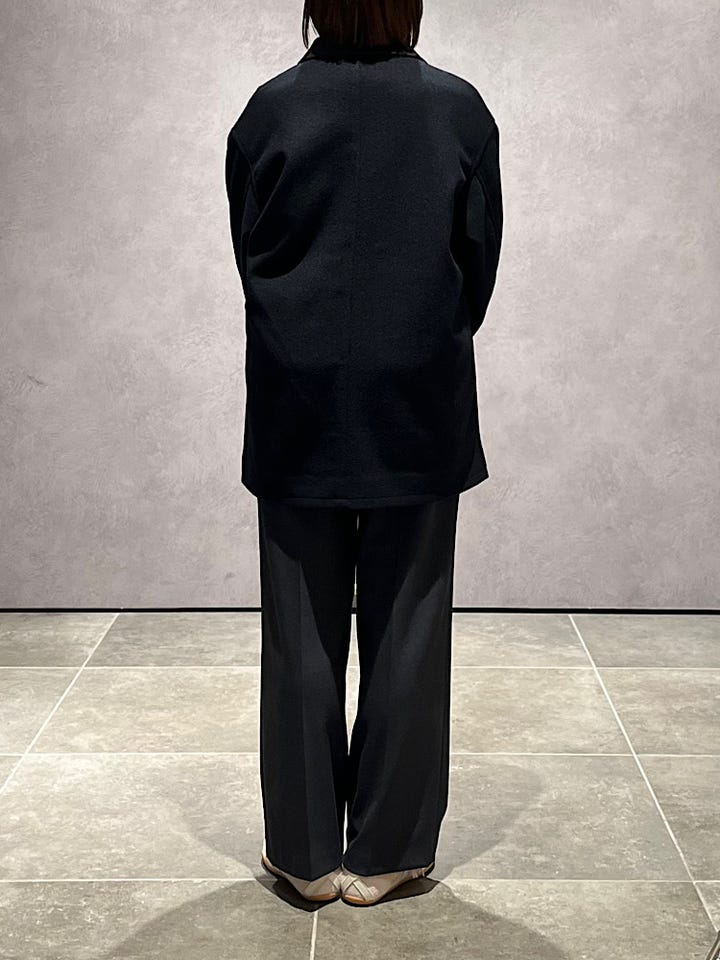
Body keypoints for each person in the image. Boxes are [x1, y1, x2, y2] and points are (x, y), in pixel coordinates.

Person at [225, 0, 503, 906]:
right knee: (410, 628)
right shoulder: (458, 109)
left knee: (298, 630)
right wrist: (420, 333)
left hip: (296, 394)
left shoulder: (269, 109)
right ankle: (387, 851)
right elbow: (479, 264)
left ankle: (305, 855)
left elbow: (251, 252)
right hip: (415, 394)